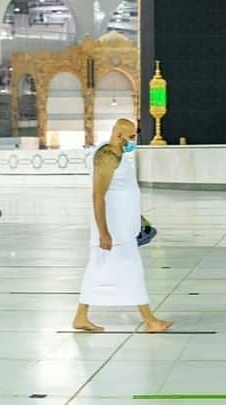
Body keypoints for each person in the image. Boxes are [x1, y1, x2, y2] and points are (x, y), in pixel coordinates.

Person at [72, 119, 172, 333]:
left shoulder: (121, 156)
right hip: (114, 231)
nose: (134, 141)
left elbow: (125, 192)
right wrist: (104, 233)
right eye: (132, 137)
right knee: (132, 271)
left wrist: (141, 219)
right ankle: (149, 320)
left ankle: (80, 316)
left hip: (124, 228)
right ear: (119, 136)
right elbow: (98, 196)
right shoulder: (107, 156)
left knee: (98, 270)